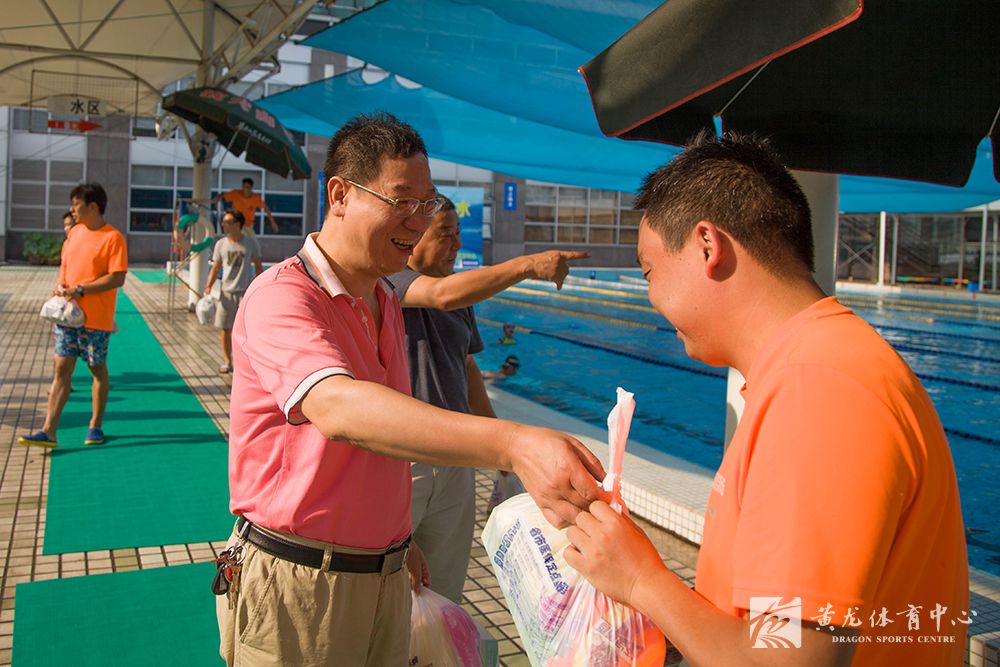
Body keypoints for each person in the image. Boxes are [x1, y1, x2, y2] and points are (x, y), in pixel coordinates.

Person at [216, 112, 608, 666]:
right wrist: (513, 442)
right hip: (302, 580)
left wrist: (400, 539)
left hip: (383, 569)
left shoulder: (384, 303)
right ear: (340, 195)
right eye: (402, 200)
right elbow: (339, 408)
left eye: (428, 204)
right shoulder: (281, 297)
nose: (418, 221)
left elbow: (375, 450)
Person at [564, 132, 969, 666]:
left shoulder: (819, 389)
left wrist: (641, 581)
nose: (651, 296)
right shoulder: (814, 368)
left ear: (708, 246)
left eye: (650, 272)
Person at [389, 198, 586, 603]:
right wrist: (528, 265)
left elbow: (467, 370)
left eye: (458, 233)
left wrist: (498, 451)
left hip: (455, 461)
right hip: (402, 462)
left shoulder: (462, 298)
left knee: (444, 585)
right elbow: (440, 295)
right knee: (392, 587)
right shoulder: (391, 281)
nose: (456, 244)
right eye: (445, 234)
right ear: (414, 236)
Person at [19, 183, 128, 448]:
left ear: (93, 206)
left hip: (96, 320)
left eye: (76, 204)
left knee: (97, 370)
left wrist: (81, 289)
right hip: (68, 318)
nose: (72, 210)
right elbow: (64, 267)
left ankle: (95, 425)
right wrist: (60, 285)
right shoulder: (75, 233)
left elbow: (117, 277)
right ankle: (49, 430)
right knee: (61, 369)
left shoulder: (113, 238)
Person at [203, 210, 262, 374]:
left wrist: (259, 288)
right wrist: (209, 285)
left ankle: (246, 363)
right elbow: (216, 267)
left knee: (247, 330)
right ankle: (228, 361)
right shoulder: (221, 244)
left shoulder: (251, 243)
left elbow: (258, 265)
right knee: (225, 328)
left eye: (228, 221)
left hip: (245, 293)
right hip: (225, 293)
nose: (224, 224)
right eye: (224, 221)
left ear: (237, 224)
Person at [211, 177, 278, 236]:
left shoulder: (256, 198)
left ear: (250, 188)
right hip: (236, 224)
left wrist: (273, 222)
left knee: (253, 246)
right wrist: (217, 198)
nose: (245, 189)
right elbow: (223, 195)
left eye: (247, 187)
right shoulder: (235, 194)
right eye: (243, 187)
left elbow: (266, 209)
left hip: (248, 226)